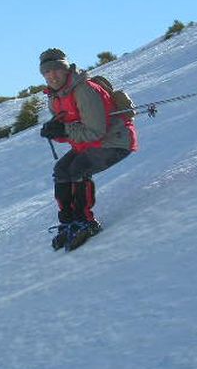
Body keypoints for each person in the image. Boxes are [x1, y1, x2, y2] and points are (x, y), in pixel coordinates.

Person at [39, 48, 138, 250]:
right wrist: (55, 132)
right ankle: (68, 222)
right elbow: (71, 132)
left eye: (56, 70)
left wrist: (64, 130)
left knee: (78, 169)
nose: (52, 76)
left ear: (66, 70)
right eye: (47, 72)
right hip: (89, 145)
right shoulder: (55, 97)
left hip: (114, 142)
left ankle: (85, 222)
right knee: (61, 170)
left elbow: (95, 131)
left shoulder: (84, 90)